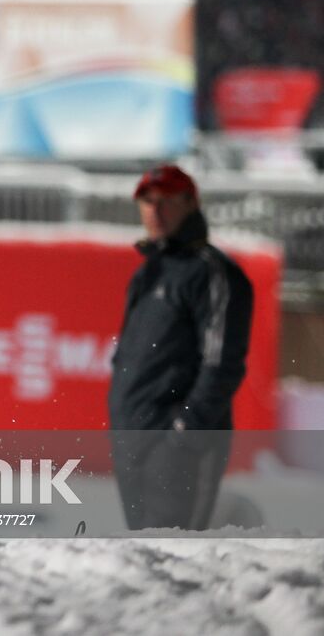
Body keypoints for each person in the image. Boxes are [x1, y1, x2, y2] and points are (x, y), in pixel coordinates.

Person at [108, 164, 253, 530]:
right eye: (147, 201)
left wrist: (184, 431)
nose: (155, 211)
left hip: (178, 445)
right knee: (144, 560)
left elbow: (223, 364)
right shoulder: (149, 271)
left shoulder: (212, 272)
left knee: (174, 562)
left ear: (191, 204)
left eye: (167, 201)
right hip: (134, 438)